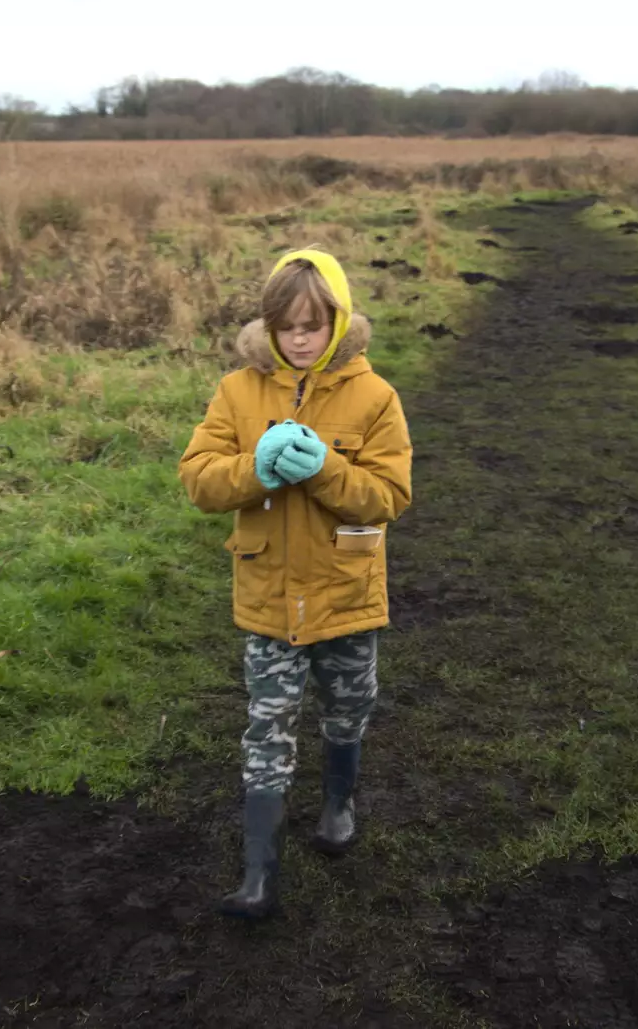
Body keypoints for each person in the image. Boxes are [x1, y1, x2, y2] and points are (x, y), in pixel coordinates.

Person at [179, 249, 413, 919]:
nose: (300, 337)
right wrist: (258, 469)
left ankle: (338, 803)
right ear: (270, 325)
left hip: (346, 590)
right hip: (267, 595)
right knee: (269, 721)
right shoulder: (237, 391)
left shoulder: (376, 397)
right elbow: (200, 479)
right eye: (286, 326)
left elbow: (389, 496)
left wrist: (324, 469)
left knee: (348, 705)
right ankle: (259, 872)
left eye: (313, 324)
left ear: (338, 321)